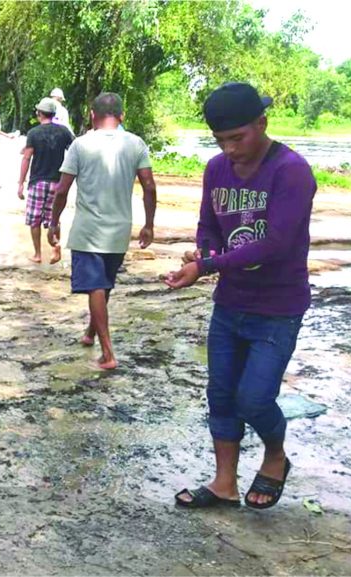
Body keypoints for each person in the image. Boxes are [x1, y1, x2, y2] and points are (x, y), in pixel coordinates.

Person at [166, 82, 316, 510]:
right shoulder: (216, 170)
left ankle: (274, 455)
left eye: (238, 138)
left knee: (254, 398)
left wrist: (207, 266)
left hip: (277, 307)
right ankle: (224, 483)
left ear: (262, 124)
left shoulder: (291, 171)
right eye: (221, 141)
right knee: (222, 394)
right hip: (230, 304)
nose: (230, 149)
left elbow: (277, 244)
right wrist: (207, 250)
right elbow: (208, 225)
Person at [48, 92, 156, 370]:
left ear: (93, 115)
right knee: (103, 284)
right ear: (121, 116)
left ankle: (107, 352)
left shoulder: (81, 145)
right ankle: (90, 333)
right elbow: (149, 186)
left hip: (88, 230)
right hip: (119, 229)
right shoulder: (136, 144)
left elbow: (62, 189)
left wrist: (54, 221)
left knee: (96, 286)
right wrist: (148, 224)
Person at [18, 97, 74, 264]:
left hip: (38, 181)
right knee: (54, 217)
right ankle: (55, 247)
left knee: (34, 218)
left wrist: (20, 182)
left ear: (39, 114)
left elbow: (26, 158)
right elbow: (74, 151)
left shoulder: (34, 133)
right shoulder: (64, 132)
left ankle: (37, 254)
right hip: (58, 181)